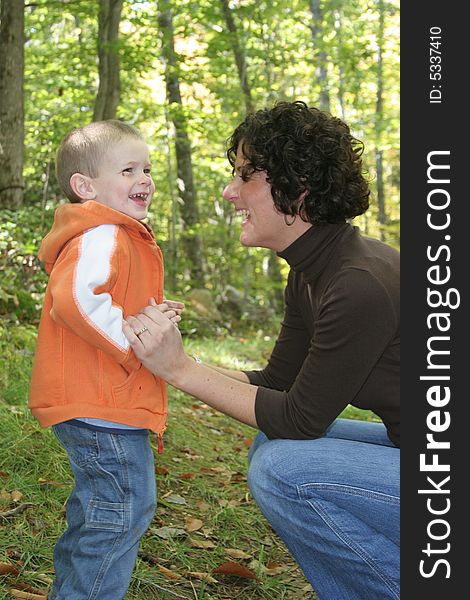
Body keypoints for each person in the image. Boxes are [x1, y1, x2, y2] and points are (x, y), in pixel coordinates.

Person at [123, 101, 400, 600]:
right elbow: (279, 386)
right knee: (270, 445)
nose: (230, 192)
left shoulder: (357, 283)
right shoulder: (312, 271)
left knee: (283, 469)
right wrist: (164, 361)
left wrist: (181, 369)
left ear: (298, 189)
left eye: (245, 176)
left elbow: (300, 419)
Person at [28, 119, 183, 599]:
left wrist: (148, 316)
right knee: (123, 509)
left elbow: (103, 299)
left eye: (148, 169)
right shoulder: (102, 233)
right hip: (100, 402)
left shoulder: (115, 234)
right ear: (85, 186)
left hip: (101, 399)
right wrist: (132, 340)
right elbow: (75, 300)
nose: (145, 179)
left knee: (99, 511)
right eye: (129, 169)